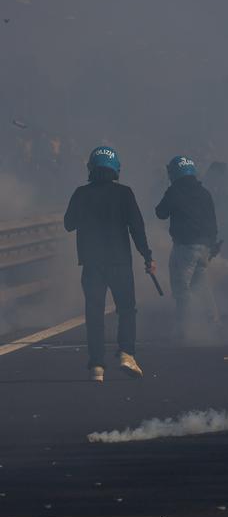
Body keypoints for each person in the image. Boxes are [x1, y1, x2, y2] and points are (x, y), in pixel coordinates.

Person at [64, 146, 153, 382]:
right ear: (116, 169)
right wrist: (148, 256)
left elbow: (68, 224)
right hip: (120, 262)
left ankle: (97, 366)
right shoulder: (125, 193)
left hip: (92, 263)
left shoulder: (81, 193)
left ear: (91, 168)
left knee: (94, 313)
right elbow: (137, 228)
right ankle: (127, 354)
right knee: (126, 309)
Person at [155, 156, 220, 340]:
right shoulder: (204, 192)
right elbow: (213, 221)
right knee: (202, 284)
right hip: (204, 247)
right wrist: (212, 244)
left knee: (182, 289)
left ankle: (185, 327)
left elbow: (160, 213)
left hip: (185, 248)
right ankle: (213, 321)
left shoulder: (174, 192)